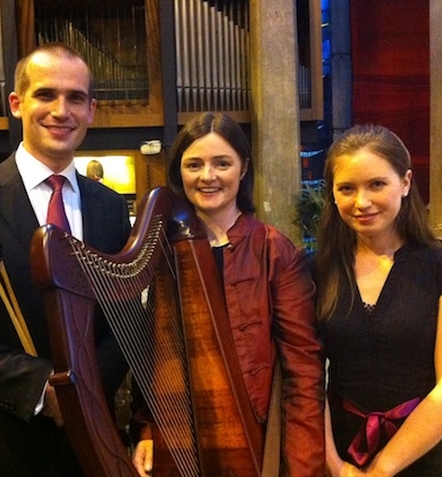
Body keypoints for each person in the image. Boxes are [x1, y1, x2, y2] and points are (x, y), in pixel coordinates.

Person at [0, 43, 132, 476]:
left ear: (92, 110)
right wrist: (39, 388)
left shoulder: (109, 207)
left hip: (89, 443)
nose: (61, 110)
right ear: (17, 103)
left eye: (75, 98)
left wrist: (86, 390)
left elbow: (122, 323)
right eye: (46, 95)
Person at [131, 112, 326, 476]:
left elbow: (304, 372)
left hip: (255, 437)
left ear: (243, 168)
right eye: (195, 164)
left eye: (222, 163)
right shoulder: (163, 253)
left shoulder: (274, 250)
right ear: (179, 173)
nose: (208, 176)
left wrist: (303, 469)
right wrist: (147, 429)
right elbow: (154, 353)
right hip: (181, 436)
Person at [315, 124, 442, 476]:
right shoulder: (318, 271)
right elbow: (306, 379)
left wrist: (385, 467)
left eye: (376, 184)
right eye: (346, 189)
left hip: (424, 447)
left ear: (404, 183)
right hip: (343, 455)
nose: (362, 202)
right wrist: (334, 464)